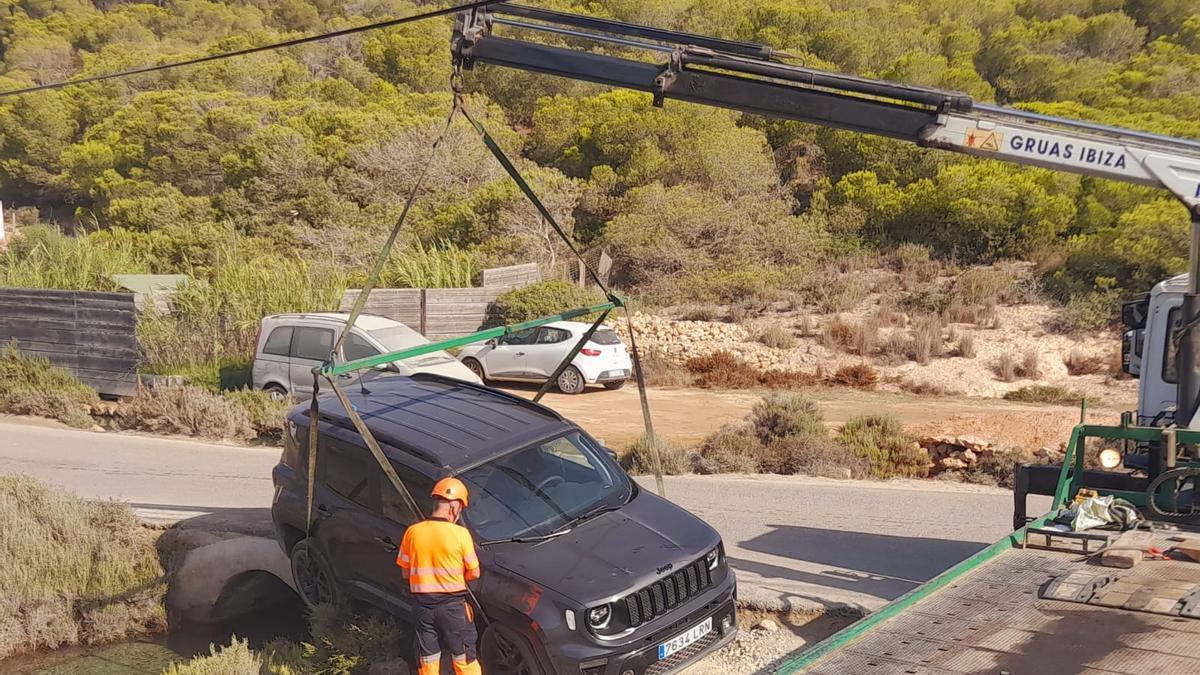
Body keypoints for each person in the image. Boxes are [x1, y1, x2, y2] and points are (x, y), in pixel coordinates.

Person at [398, 477, 483, 675]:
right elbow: (475, 573)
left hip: (423, 609)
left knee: (428, 659)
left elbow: (405, 572)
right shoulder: (460, 534)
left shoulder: (412, 532)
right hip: (453, 609)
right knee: (464, 657)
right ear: (454, 508)